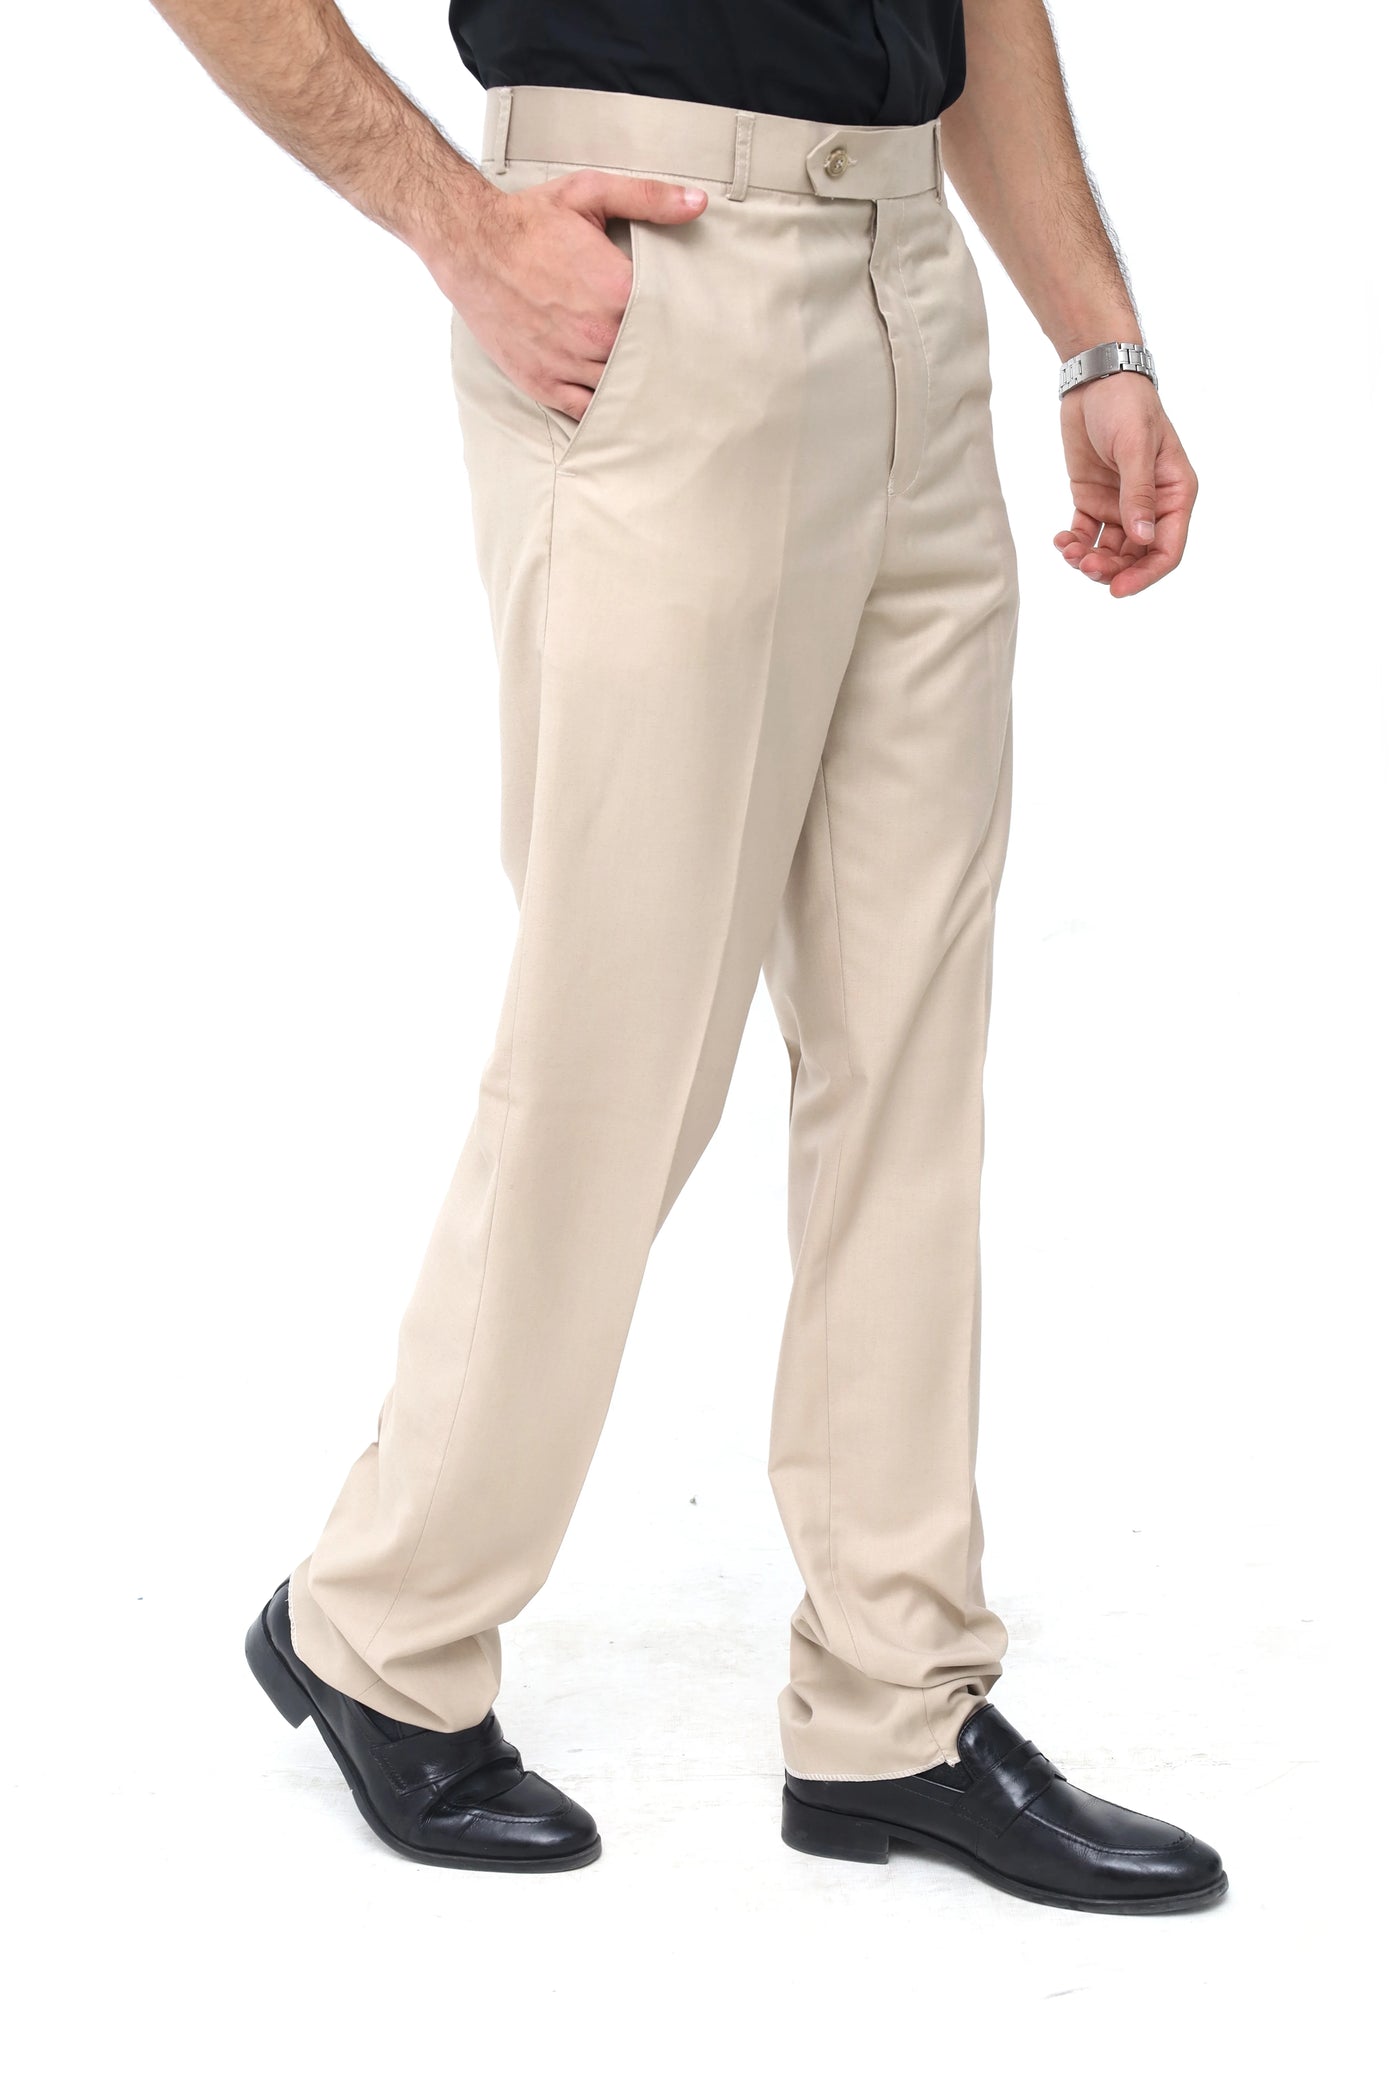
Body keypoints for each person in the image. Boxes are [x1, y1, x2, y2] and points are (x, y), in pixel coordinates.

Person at [151, 0, 1222, 1910]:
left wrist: (1096, 335)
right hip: (652, 284)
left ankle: (895, 1704)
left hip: (912, 286)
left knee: (909, 1043)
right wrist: (460, 226)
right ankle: (377, 1626)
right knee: (622, 1039)